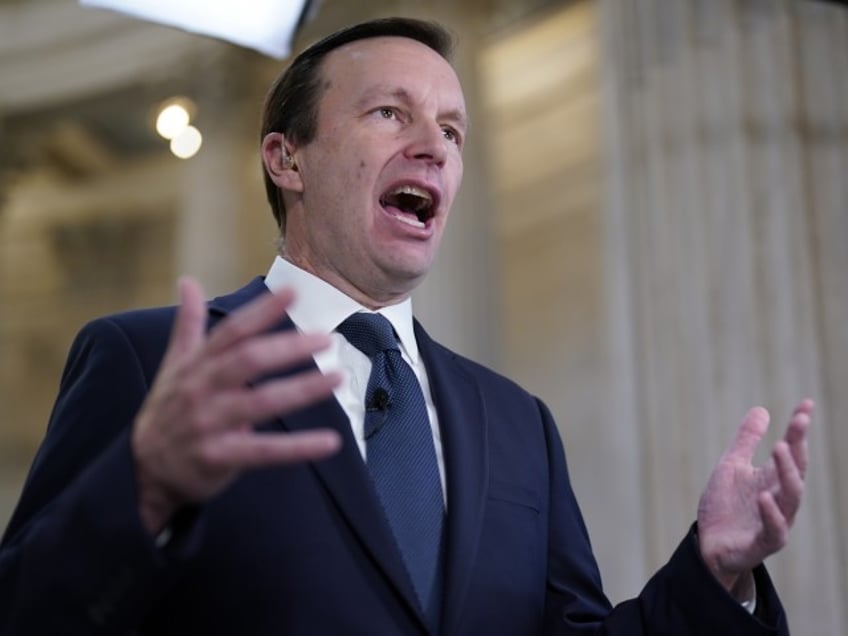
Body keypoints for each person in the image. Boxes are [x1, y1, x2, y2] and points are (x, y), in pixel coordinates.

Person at [0, 17, 812, 636]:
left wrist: (712, 574)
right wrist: (140, 489)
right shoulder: (149, 361)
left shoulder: (515, 421)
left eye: (453, 131)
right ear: (288, 161)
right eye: (391, 114)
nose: (434, 147)